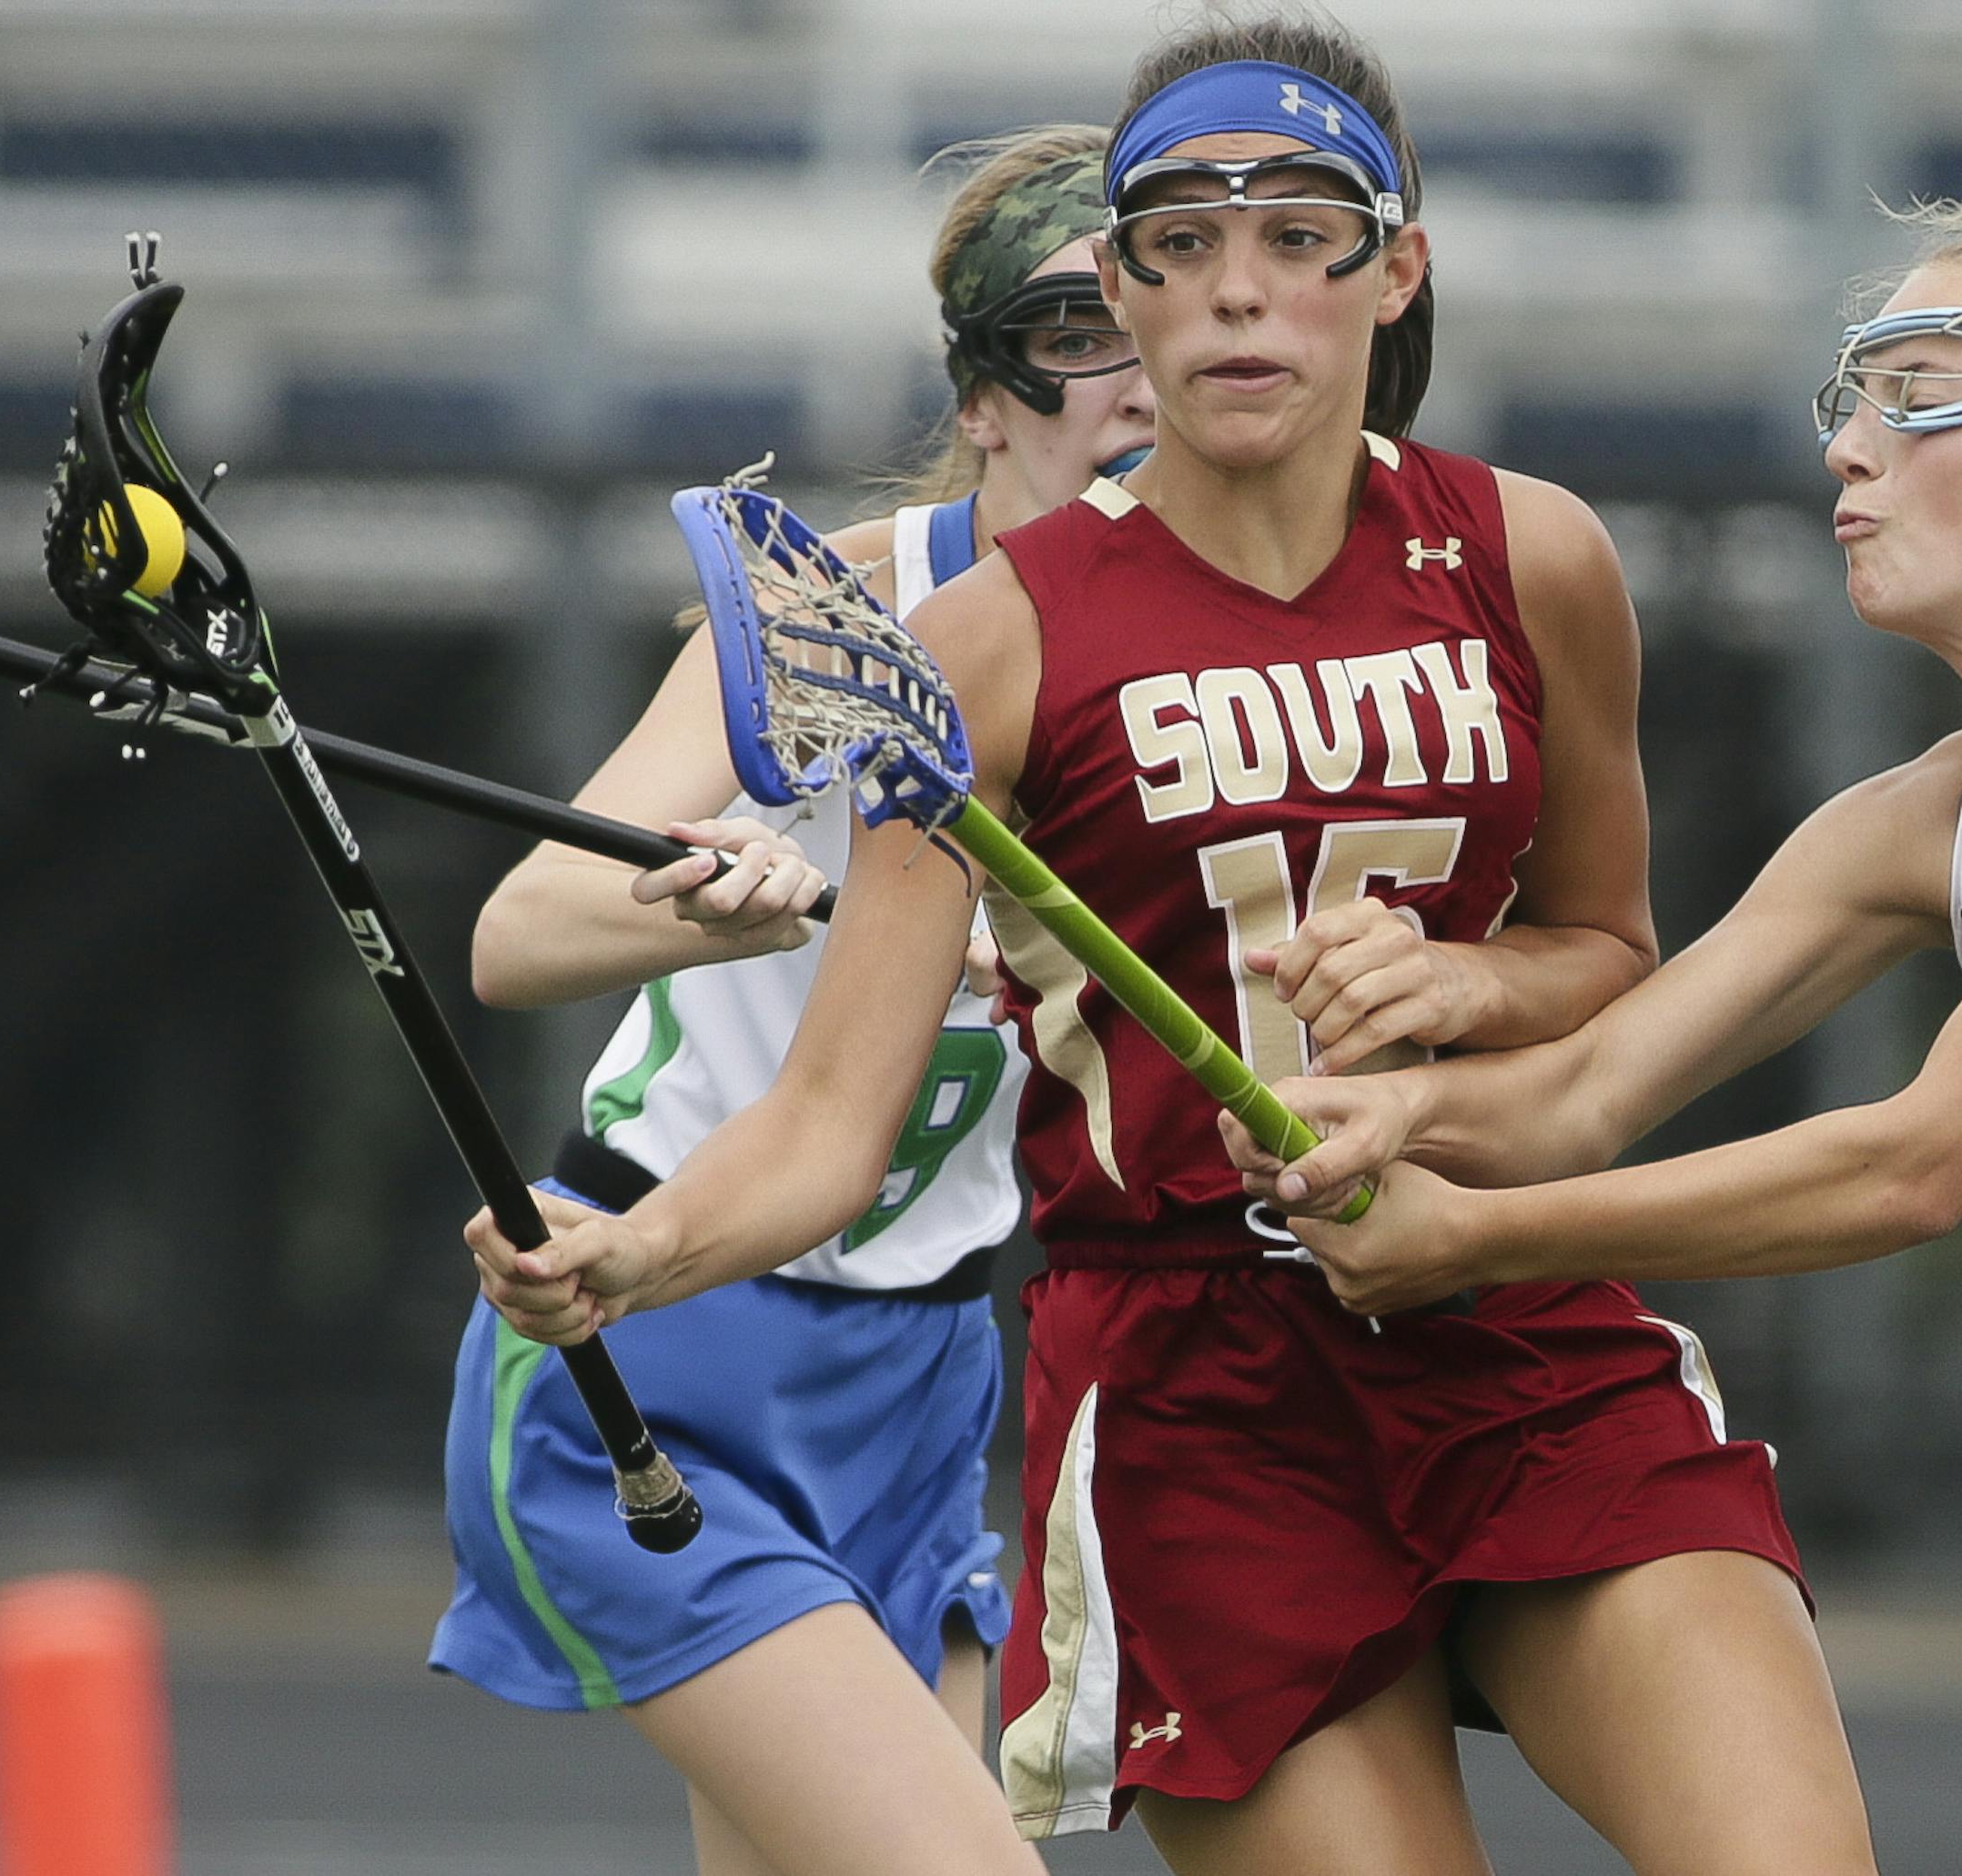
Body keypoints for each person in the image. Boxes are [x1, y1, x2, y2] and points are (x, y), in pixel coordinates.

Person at [469, 15, 1876, 1874]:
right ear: (1121, 293)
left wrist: (1463, 982)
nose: (1238, 295)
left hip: (1513, 1329)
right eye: (1177, 244)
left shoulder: (1537, 557)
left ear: (1397, 270)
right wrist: (632, 1252)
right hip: (1202, 1397)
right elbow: (827, 1124)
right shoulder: (982, 642)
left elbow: (1606, 948)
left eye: (1299, 234)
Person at [433, 125, 1152, 1876]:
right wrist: (713, 911)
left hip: (925, 1378)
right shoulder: (824, 605)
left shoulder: (1200, 653)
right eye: (1077, 341)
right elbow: (520, 930)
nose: (1138, 381)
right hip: (655, 1328)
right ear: (985, 397)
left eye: (1164, 323)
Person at [1221, 201, 1962, 1323]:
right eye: (1857, 401)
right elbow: (1590, 1089)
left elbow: (1918, 1164)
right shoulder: (1907, 824)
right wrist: (1391, 1116)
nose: (1847, 447)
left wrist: (1475, 1232)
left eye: (1915, 393)